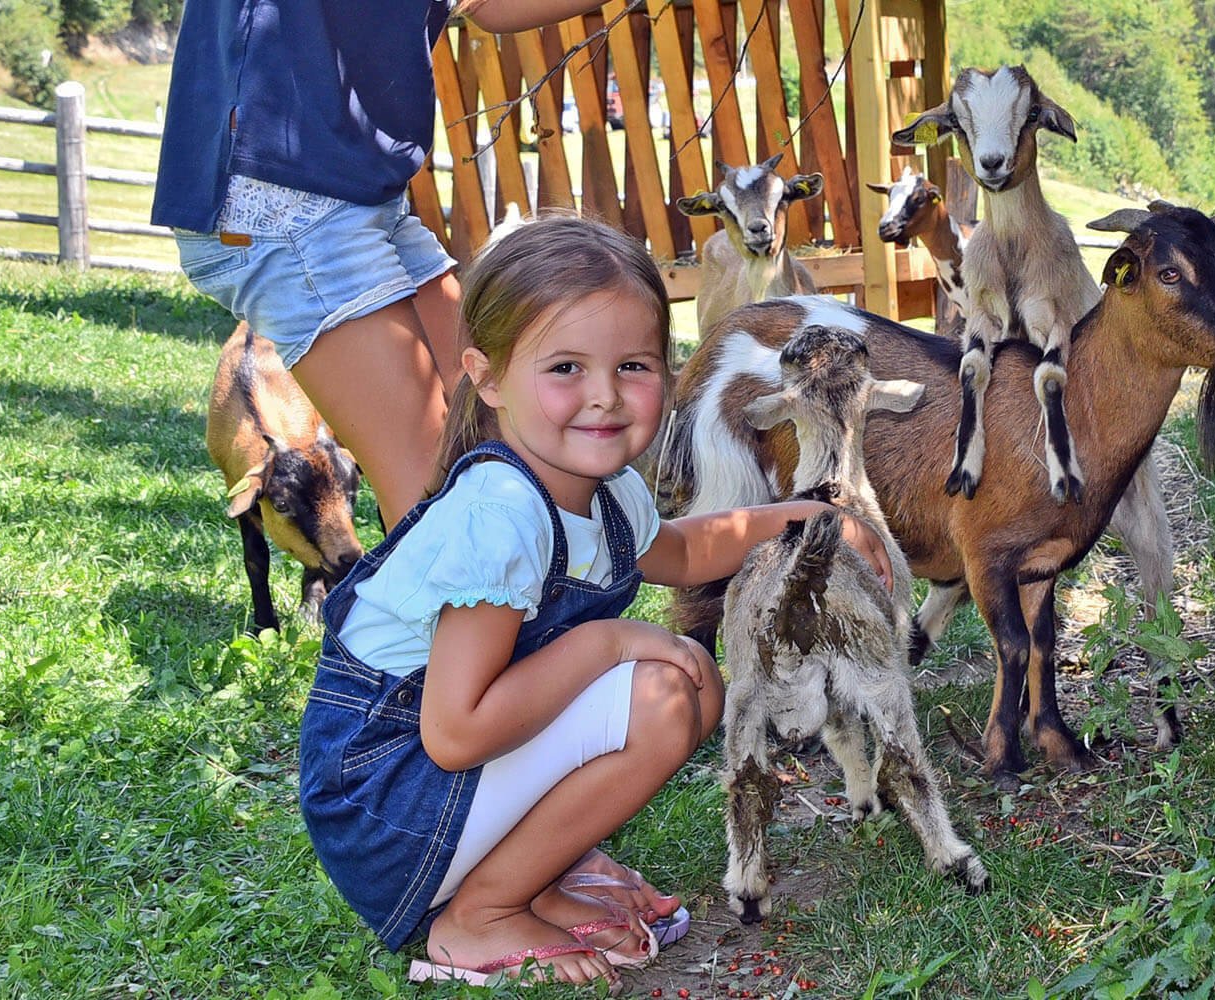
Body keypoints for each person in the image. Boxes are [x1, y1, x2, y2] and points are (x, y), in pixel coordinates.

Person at [297, 215, 896, 986]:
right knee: (662, 696)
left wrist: (805, 517)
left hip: (433, 796)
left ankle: (529, 876)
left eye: (635, 366)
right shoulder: (501, 515)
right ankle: (481, 914)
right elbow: (453, 731)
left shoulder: (602, 488)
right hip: (389, 807)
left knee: (681, 685)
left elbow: (679, 551)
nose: (606, 398)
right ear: (488, 377)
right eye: (567, 369)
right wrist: (610, 643)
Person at [151, 0, 613, 530]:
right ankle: (443, 609)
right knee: (432, 496)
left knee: (499, 427)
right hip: (286, 195)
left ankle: (529, 603)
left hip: (354, 194)